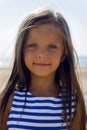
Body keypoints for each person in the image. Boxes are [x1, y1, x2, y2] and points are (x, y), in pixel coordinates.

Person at [0, 8, 86, 130]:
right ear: (21, 50)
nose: (42, 54)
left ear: (64, 53)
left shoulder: (72, 103)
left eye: (52, 47)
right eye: (32, 46)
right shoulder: (10, 99)